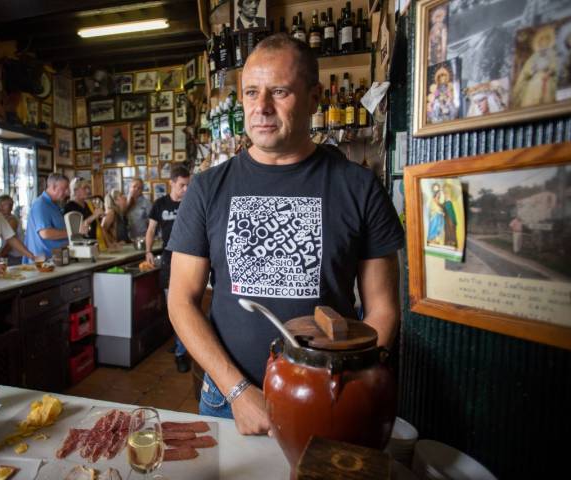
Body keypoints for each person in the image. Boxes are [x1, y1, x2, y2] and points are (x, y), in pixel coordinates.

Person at [166, 34, 404, 435]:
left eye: (279, 92)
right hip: (228, 398)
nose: (261, 108)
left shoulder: (359, 188)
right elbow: (180, 301)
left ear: (313, 99)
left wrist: (343, 383)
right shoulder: (207, 188)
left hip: (326, 398)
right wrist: (238, 391)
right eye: (251, 92)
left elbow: (382, 309)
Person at [145, 165, 192, 372]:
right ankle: (180, 344)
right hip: (167, 259)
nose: (185, 189)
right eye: (182, 185)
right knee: (173, 307)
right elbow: (151, 230)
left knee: (187, 306)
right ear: (171, 183)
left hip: (190, 258)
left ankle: (182, 352)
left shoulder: (191, 202)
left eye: (188, 185)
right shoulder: (160, 204)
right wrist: (147, 251)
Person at [24, 173, 70, 262]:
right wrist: (72, 232)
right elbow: (46, 233)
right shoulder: (40, 204)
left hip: (56, 258)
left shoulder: (54, 204)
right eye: (64, 188)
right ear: (53, 187)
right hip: (42, 262)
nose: (67, 192)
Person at [0, 194, 24, 264]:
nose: (1, 207)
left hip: (15, 256)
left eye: (5, 204)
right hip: (10, 255)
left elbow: (10, 243)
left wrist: (0, 255)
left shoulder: (12, 220)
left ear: (11, 207)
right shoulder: (2, 219)